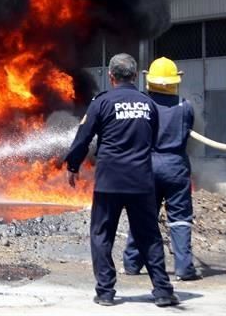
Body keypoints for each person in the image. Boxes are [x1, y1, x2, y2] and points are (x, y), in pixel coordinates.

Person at [65, 53, 179, 307]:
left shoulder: (101, 102)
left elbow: (84, 136)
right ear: (136, 76)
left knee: (102, 234)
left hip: (109, 182)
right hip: (140, 181)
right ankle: (162, 290)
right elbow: (155, 138)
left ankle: (105, 292)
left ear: (110, 76)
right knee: (148, 235)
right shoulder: (148, 104)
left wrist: (73, 165)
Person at [123, 56, 200, 281]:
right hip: (176, 166)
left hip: (146, 165)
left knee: (143, 216)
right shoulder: (184, 106)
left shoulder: (142, 104)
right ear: (176, 81)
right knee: (180, 217)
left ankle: (132, 263)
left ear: (150, 80)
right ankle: (184, 268)